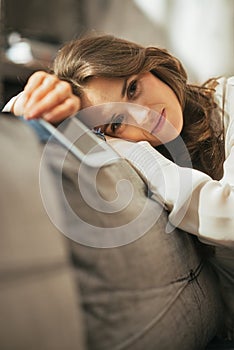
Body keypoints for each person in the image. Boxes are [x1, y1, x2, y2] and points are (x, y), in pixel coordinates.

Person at [3, 33, 234, 343]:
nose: (144, 117)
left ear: (148, 65)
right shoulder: (157, 161)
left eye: (133, 89)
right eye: (116, 122)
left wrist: (137, 153)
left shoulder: (230, 99)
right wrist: (23, 106)